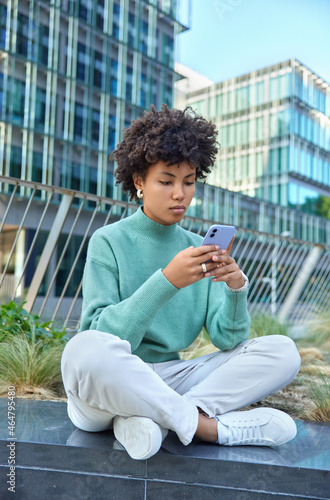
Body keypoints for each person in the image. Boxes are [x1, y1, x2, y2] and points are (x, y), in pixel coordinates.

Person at [61, 105, 301, 460]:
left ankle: (151, 421)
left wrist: (235, 289)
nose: (181, 194)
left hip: (170, 379)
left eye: (189, 182)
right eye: (167, 181)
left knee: (283, 350)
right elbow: (104, 334)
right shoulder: (108, 241)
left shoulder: (196, 248)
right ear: (139, 182)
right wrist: (166, 282)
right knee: (83, 349)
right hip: (109, 385)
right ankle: (205, 427)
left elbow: (227, 339)